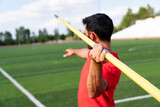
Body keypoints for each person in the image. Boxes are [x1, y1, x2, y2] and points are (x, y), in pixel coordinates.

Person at [63, 13, 121, 107]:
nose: (85, 39)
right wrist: (75, 51)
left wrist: (95, 62)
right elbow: (86, 52)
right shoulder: (92, 53)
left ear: (92, 36)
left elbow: (93, 93)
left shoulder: (113, 63)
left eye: (86, 35)